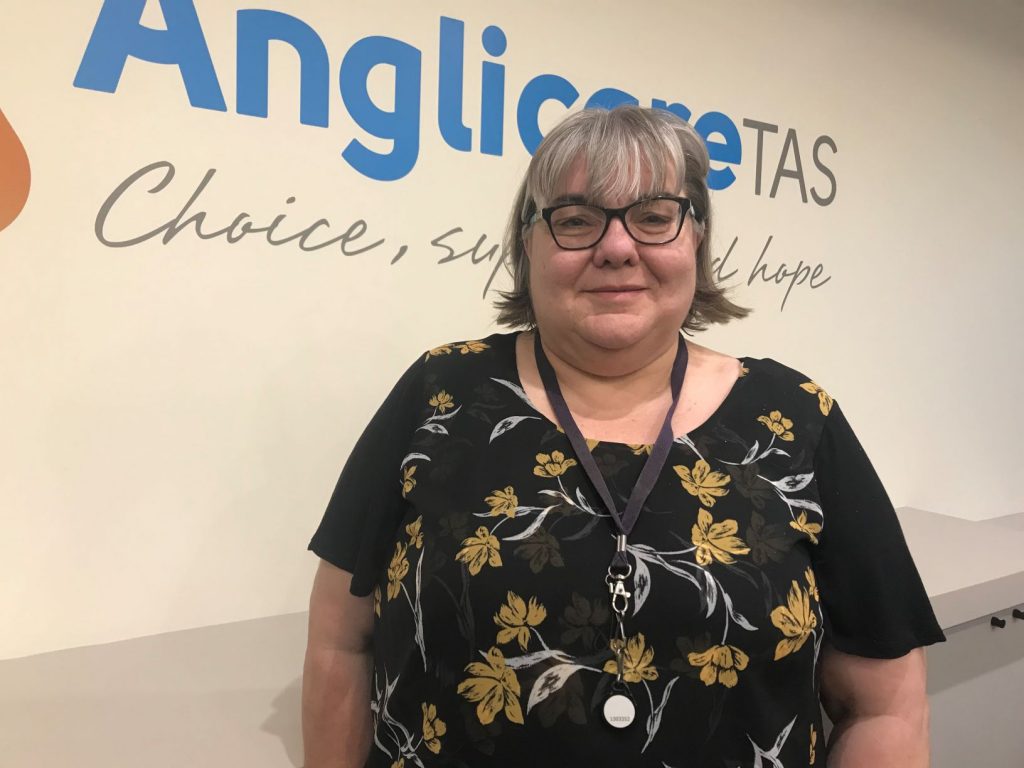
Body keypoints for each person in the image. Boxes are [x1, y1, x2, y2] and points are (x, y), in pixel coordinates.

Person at [302, 105, 944, 768]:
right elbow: (338, 643)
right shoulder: (439, 395)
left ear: (695, 236)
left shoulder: (797, 422)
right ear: (530, 244)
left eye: (653, 216)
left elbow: (886, 706)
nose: (616, 247)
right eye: (576, 219)